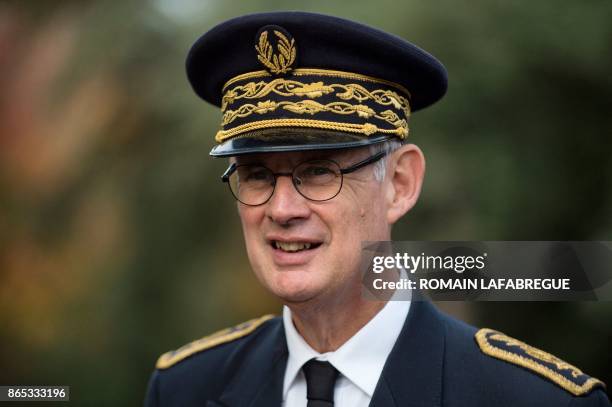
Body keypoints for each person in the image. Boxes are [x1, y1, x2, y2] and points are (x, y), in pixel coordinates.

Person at [144, 11, 609, 407]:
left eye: (320, 171)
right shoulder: (184, 387)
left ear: (400, 185)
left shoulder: (529, 398)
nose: (282, 208)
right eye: (257, 175)